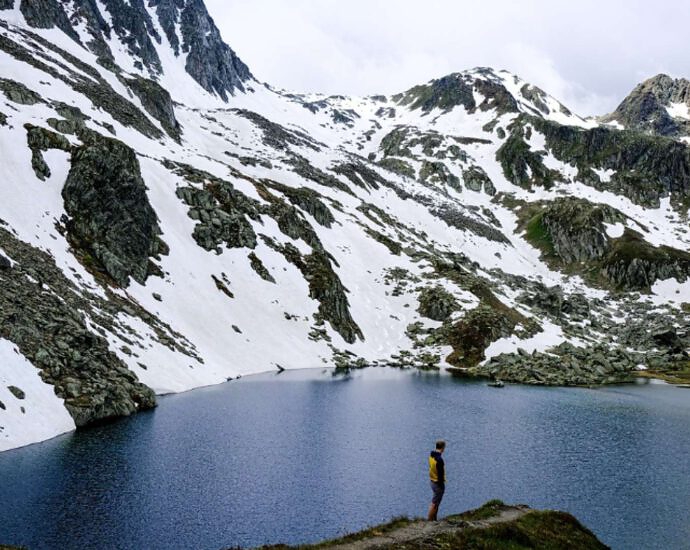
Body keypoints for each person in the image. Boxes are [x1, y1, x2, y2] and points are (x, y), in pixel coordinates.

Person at [428, 440, 446, 521]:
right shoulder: (439, 459)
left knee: (436, 502)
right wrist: (441, 484)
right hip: (437, 483)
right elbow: (440, 474)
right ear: (443, 448)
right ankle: (430, 521)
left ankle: (434, 519)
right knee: (434, 504)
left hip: (432, 481)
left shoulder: (431, 456)